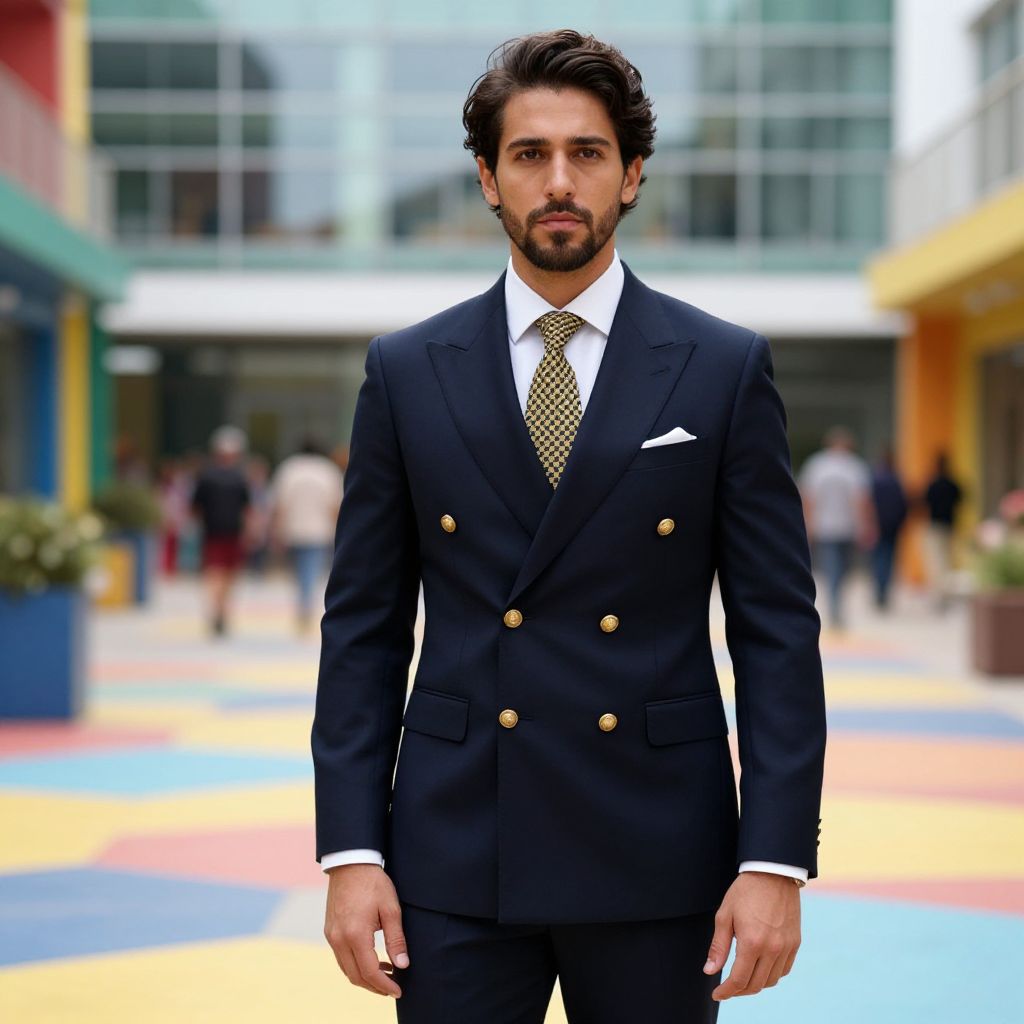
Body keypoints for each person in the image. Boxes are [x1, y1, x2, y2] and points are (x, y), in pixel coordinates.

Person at [313, 30, 826, 1024]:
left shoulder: (720, 367)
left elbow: (776, 629)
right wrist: (350, 850)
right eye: (529, 154)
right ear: (487, 179)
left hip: (659, 854)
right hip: (454, 850)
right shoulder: (407, 370)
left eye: (587, 153)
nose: (559, 180)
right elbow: (364, 628)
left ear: (631, 175)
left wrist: (773, 859)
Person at [799, 426, 877, 630]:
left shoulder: (817, 465)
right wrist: (865, 525)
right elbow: (861, 500)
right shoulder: (855, 467)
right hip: (846, 527)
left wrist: (809, 523)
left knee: (835, 569)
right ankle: (836, 609)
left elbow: (809, 498)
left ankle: (836, 606)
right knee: (840, 569)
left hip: (826, 526)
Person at [268, 436, 344, 632]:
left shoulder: (289, 468)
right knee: (310, 569)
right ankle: (305, 606)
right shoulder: (327, 470)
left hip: (293, 528)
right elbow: (334, 504)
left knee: (300, 571)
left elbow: (280, 503)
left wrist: (277, 528)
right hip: (319, 529)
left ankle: (303, 605)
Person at [189, 425, 251, 637]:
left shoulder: (206, 477)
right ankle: (222, 610)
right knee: (228, 575)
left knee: (214, 573)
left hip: (212, 532)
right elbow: (248, 509)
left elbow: (195, 507)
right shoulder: (239, 477)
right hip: (232, 532)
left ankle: (216, 610)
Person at [922, 452, 963, 611]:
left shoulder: (933, 484)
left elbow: (924, 501)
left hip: (935, 526)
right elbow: (961, 500)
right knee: (947, 561)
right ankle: (945, 594)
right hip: (950, 525)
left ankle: (939, 594)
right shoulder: (953, 483)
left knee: (936, 562)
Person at [870, 446, 908, 610]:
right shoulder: (895, 481)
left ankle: (879, 592)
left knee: (878, 558)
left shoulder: (875, 480)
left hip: (878, 525)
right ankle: (883, 592)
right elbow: (903, 504)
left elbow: (869, 504)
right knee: (889, 558)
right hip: (892, 526)